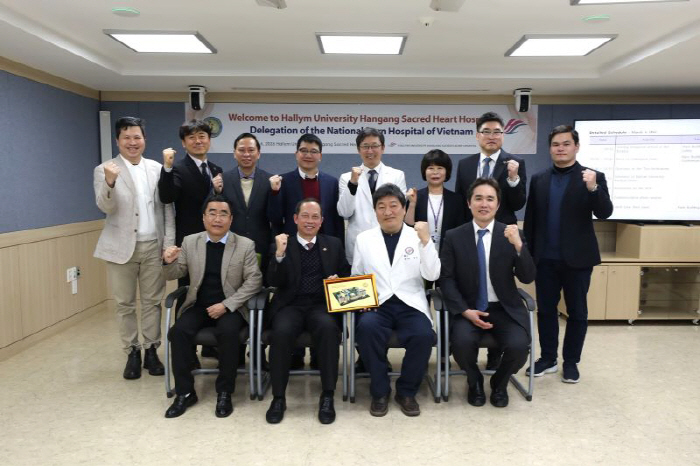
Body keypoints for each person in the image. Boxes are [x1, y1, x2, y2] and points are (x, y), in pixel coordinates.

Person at [524, 125, 613, 384]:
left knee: (577, 312)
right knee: (546, 311)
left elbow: (605, 212)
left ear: (576, 147)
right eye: (555, 144)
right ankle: (548, 358)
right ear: (550, 148)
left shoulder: (593, 177)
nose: (560, 149)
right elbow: (531, 220)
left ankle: (571, 362)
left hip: (578, 260)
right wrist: (528, 255)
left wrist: (593, 188)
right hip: (545, 260)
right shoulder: (539, 179)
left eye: (566, 144)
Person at [162, 194, 262, 418]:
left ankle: (225, 392)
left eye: (223, 214)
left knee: (228, 333)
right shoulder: (190, 242)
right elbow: (175, 273)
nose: (217, 219)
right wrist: (168, 262)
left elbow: (254, 281)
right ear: (204, 217)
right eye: (212, 213)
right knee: (178, 333)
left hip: (230, 307)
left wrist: (227, 305)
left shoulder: (244, 245)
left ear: (231, 219)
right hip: (198, 305)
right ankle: (185, 392)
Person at [439, 178, 535, 408]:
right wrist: (464, 311)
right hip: (469, 308)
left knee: (519, 346)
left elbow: (528, 276)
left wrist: (518, 246)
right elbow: (446, 279)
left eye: (490, 199)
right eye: (478, 198)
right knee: (461, 344)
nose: (484, 204)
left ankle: (499, 383)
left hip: (504, 309)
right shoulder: (454, 236)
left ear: (498, 204)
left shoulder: (511, 234)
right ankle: (474, 381)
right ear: (469, 203)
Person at [93, 116, 174, 380]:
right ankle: (132, 352)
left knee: (152, 302)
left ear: (144, 139)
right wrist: (110, 182)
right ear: (118, 140)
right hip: (121, 248)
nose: (132, 142)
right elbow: (105, 207)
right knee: (125, 304)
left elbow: (167, 209)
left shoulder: (156, 168)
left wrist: (168, 243)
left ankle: (151, 350)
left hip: (153, 246)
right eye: (126, 137)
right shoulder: (105, 169)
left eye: (137, 137)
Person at [352, 184, 440, 417]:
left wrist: (426, 243)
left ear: (403, 208)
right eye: (381, 207)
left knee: (423, 335)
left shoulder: (418, 236)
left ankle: (407, 392)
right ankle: (380, 391)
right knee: (366, 329)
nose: (388, 211)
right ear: (375, 211)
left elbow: (432, 275)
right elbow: (357, 274)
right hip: (377, 304)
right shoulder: (364, 239)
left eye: (393, 205)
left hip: (410, 303)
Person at [264, 198, 350, 425]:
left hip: (321, 305)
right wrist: (279, 255)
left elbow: (346, 275)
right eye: (305, 216)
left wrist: (338, 281)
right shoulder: (282, 244)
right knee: (281, 332)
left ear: (321, 221)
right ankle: (278, 398)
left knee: (329, 330)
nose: (310, 221)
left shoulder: (333, 244)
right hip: (290, 305)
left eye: (315, 217)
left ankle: (327, 395)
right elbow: (272, 281)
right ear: (295, 219)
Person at [453, 111, 527, 371]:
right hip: (470, 235)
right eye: (486, 131)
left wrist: (513, 179)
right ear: (478, 135)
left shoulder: (514, 163)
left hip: (501, 238)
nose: (492, 136)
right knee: (471, 287)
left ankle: (496, 356)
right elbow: (461, 203)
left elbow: (518, 203)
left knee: (498, 288)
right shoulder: (465, 164)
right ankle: (470, 356)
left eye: (497, 132)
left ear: (503, 135)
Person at [159, 120, 224, 360]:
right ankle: (186, 350)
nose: (198, 141)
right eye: (192, 137)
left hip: (215, 241)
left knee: (214, 291)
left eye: (202, 136)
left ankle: (210, 344)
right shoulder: (177, 168)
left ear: (209, 140)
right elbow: (167, 196)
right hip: (188, 243)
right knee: (188, 293)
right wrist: (167, 168)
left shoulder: (216, 168)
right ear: (184, 143)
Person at [337, 127, 407, 264]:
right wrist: (353, 183)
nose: (370, 151)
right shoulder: (346, 178)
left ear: (383, 148)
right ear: (359, 149)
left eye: (374, 146)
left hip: (389, 240)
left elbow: (400, 212)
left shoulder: (396, 175)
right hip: (358, 244)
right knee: (361, 278)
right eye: (365, 146)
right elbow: (344, 212)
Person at [268, 133, 344, 242]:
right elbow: (275, 218)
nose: (308, 155)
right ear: (296, 154)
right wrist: (275, 192)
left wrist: (339, 246)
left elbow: (337, 220)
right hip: (292, 244)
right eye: (303, 150)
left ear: (320, 156)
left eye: (313, 151)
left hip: (325, 245)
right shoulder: (283, 181)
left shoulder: (331, 183)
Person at [217, 133, 273, 268]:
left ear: (258, 154)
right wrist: (215, 191)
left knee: (259, 281)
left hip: (260, 246)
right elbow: (210, 211)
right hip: (230, 245)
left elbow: (275, 216)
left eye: (251, 150)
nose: (246, 154)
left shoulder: (269, 181)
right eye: (241, 150)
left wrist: (276, 192)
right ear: (234, 153)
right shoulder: (223, 180)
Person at [405, 149, 467, 251]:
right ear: (424, 172)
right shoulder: (416, 196)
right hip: (420, 251)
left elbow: (460, 231)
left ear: (447, 172)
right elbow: (408, 226)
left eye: (440, 168)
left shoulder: (456, 199)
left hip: (448, 253)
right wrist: (412, 204)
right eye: (431, 168)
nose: (435, 172)